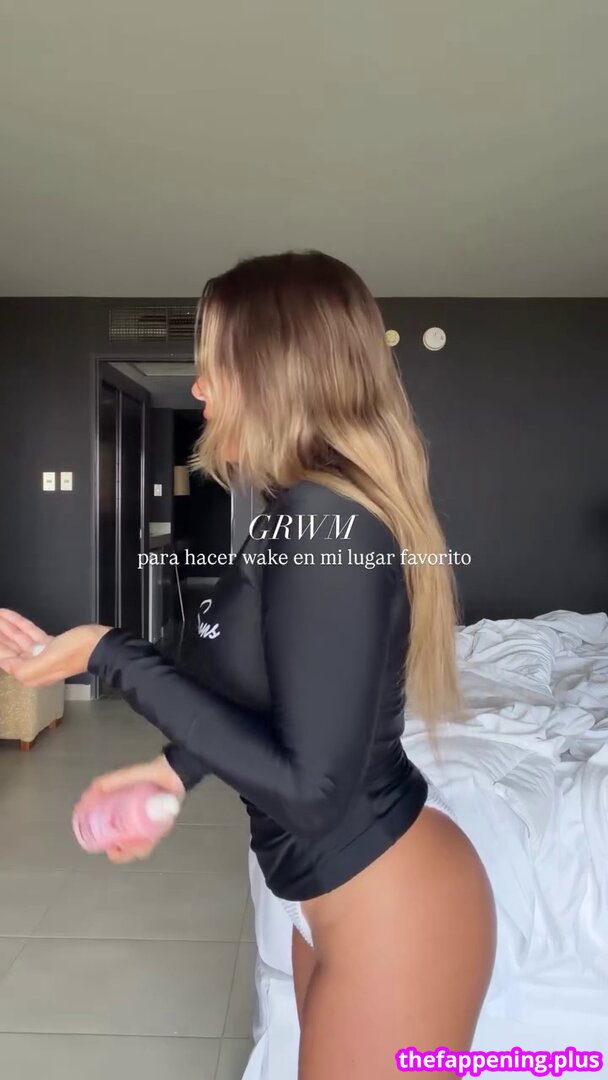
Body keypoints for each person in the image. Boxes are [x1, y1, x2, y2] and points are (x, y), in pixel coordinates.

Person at [0, 251, 496, 1080]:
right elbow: (276, 698)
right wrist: (171, 770)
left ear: (279, 370)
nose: (199, 386)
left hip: (391, 908)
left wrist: (108, 652)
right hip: (326, 898)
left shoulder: (329, 517)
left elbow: (313, 793)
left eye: (215, 364)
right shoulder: (292, 512)